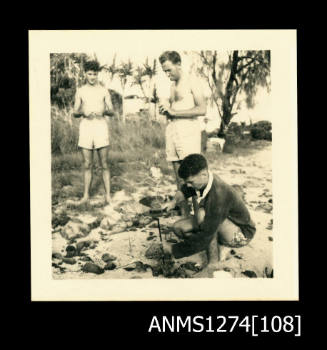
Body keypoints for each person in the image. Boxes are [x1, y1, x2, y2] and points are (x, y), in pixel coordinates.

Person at [162, 153, 256, 273]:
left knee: (203, 216)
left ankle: (213, 262)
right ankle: (217, 246)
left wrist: (173, 250)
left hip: (242, 234)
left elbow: (207, 234)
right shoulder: (204, 180)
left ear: (203, 174)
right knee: (178, 228)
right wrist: (173, 202)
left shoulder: (219, 193)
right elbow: (185, 190)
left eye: (191, 182)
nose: (189, 185)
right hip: (223, 224)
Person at [158, 51, 207, 216]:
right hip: (173, 130)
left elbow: (202, 109)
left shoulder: (192, 81)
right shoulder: (172, 86)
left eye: (169, 70)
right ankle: (185, 215)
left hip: (188, 131)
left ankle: (197, 215)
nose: (167, 74)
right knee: (179, 176)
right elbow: (174, 110)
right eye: (164, 71)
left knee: (191, 177)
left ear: (178, 64)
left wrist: (174, 112)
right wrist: (167, 111)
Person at [72, 60, 114, 205]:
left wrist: (104, 110)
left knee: (104, 163)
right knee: (87, 164)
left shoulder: (103, 90)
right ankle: (85, 196)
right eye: (89, 74)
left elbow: (112, 110)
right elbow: (75, 112)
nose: (92, 77)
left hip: (101, 126)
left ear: (98, 74)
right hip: (86, 127)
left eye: (94, 74)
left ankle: (108, 196)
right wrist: (83, 112)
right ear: (85, 74)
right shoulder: (81, 90)